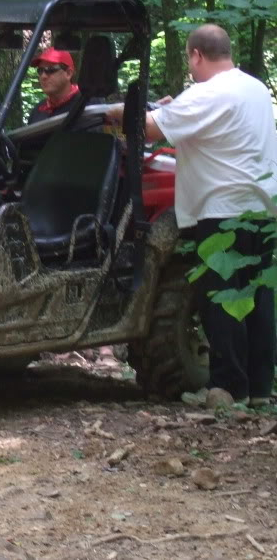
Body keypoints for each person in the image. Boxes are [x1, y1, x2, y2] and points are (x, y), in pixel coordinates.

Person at [107, 24, 277, 406]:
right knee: (257, 295)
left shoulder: (206, 94)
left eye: (189, 59)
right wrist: (173, 109)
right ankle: (260, 388)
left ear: (197, 55)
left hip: (220, 210)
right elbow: (210, 128)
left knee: (220, 297)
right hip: (262, 207)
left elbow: (147, 131)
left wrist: (119, 111)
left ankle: (227, 388)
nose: (190, 68)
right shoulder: (254, 88)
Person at [26, 48, 83, 125]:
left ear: (68, 73)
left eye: (50, 70)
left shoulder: (87, 102)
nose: (43, 76)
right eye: (40, 71)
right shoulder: (38, 111)